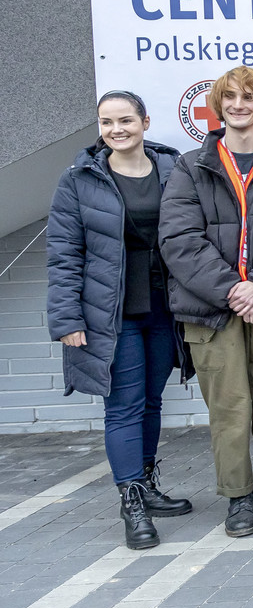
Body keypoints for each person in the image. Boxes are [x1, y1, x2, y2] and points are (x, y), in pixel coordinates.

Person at [159, 67, 253, 538]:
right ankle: (238, 495)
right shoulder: (190, 166)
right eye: (230, 97)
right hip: (212, 311)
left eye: (249, 97)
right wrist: (234, 293)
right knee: (230, 406)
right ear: (219, 105)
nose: (239, 105)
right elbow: (180, 240)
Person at [47, 91, 190, 550]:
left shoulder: (172, 169)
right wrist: (66, 318)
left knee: (151, 401)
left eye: (125, 120)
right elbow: (64, 254)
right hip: (111, 313)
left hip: (163, 307)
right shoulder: (80, 179)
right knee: (124, 405)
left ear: (145, 122)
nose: (116, 129)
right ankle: (131, 501)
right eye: (106, 122)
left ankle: (146, 485)